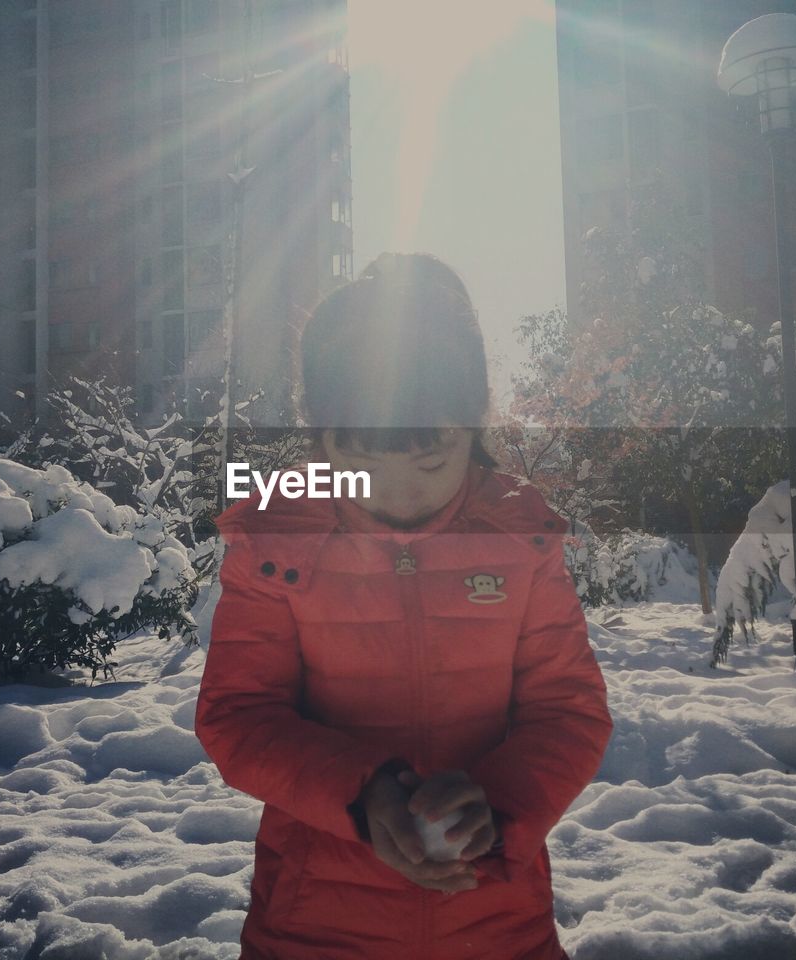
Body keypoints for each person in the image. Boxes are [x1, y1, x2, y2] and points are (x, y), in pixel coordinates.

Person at [195, 253, 613, 959]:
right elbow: (238, 717)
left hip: (496, 923)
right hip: (314, 925)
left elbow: (568, 712)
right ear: (323, 437)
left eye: (431, 461)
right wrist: (364, 794)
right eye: (366, 465)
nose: (403, 496)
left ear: (470, 427)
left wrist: (499, 809)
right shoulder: (277, 539)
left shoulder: (520, 538)